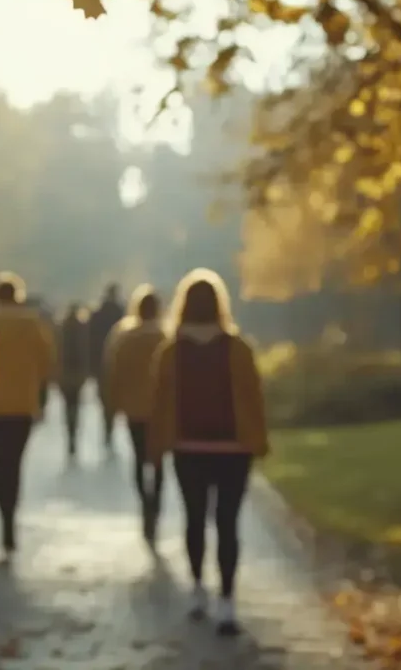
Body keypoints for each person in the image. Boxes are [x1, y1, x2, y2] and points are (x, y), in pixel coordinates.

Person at [147, 268, 269, 637]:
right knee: (228, 523)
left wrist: (155, 448)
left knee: (195, 518)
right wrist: (259, 441)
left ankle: (199, 590)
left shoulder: (170, 352)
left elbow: (159, 403)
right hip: (233, 449)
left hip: (188, 447)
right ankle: (227, 601)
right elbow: (254, 398)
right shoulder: (239, 347)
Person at [0, 272, 56, 558]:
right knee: (14, 463)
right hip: (22, 406)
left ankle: (1, 512)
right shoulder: (32, 323)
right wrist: (42, 396)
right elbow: (47, 362)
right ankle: (10, 518)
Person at [103, 285, 166, 547]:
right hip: (160, 409)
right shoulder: (165, 336)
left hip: (134, 408)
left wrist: (113, 403)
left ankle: (145, 502)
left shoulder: (124, 337)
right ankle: (156, 506)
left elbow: (113, 372)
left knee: (139, 458)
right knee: (159, 461)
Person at [89, 283, 124, 447]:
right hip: (117, 361)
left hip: (99, 361)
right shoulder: (121, 313)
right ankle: (110, 425)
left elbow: (89, 338)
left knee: (104, 396)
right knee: (114, 394)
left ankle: (107, 426)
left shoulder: (97, 314)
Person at [58, 302, 90, 459]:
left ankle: (70, 433)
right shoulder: (82, 328)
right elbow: (85, 351)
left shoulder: (61, 329)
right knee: (75, 406)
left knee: (67, 406)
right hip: (77, 375)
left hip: (64, 375)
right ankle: (73, 434)